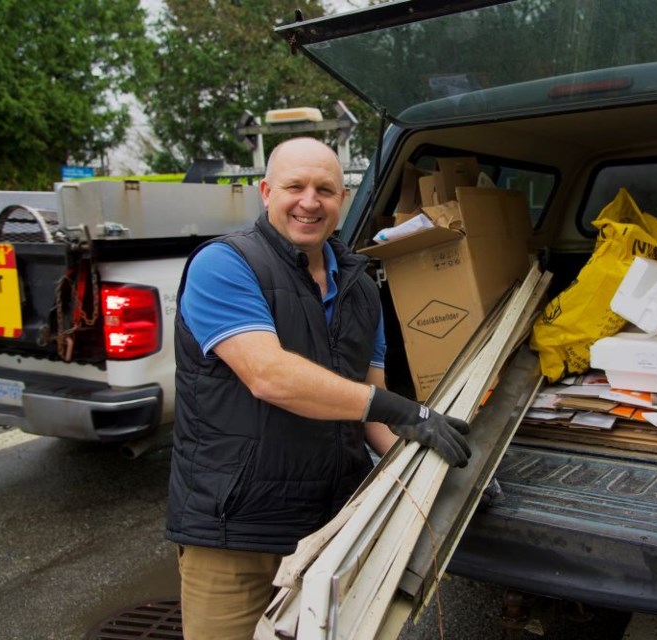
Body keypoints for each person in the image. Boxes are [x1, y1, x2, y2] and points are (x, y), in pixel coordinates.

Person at [165, 137, 471, 639]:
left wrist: (425, 473)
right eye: (295, 186)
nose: (310, 201)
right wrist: (409, 411)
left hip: (331, 527)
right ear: (266, 192)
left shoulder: (360, 287)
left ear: (342, 201)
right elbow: (269, 376)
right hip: (235, 533)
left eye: (325, 189)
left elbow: (369, 406)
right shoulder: (225, 265)